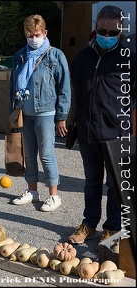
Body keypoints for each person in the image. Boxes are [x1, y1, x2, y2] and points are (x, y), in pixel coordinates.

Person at [67, 5, 136, 245]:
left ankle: (112, 228)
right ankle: (89, 224)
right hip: (87, 132)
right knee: (91, 182)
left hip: (116, 135)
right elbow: (76, 88)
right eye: (101, 31)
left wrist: (121, 121)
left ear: (121, 29)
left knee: (115, 185)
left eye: (112, 32)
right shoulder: (81, 57)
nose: (106, 36)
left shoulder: (129, 59)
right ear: (95, 27)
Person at [8, 14, 71, 212]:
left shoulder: (56, 55)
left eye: (36, 34)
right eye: (29, 35)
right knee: (29, 153)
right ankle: (32, 191)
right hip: (24, 112)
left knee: (46, 154)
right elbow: (12, 85)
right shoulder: (20, 55)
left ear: (44, 33)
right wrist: (12, 111)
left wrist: (62, 116)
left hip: (46, 112)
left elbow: (64, 88)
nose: (33, 38)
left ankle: (54, 195)